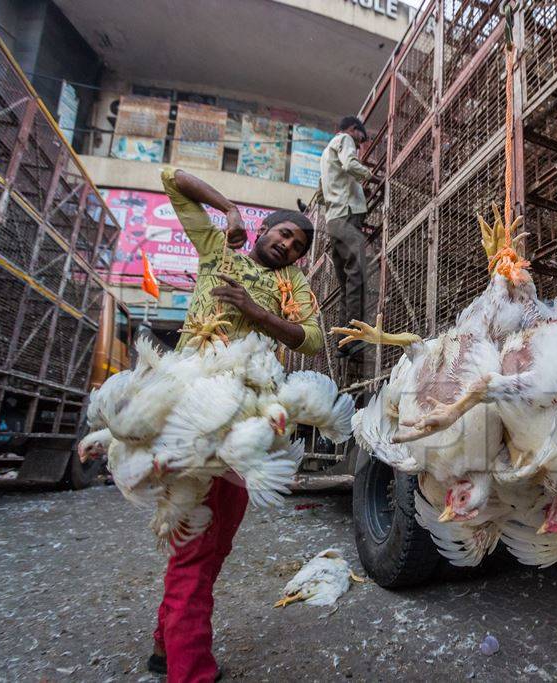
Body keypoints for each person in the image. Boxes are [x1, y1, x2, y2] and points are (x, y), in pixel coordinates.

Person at [148, 167, 322, 682]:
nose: (289, 247)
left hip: (246, 428)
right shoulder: (216, 250)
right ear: (264, 228)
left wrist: (257, 311)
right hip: (197, 417)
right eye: (284, 234)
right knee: (196, 550)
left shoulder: (290, 285)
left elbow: (310, 338)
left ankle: (165, 647)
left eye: (297, 247)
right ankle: (190, 670)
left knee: (214, 542)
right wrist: (227, 210)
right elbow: (171, 177)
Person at [320, 115, 372, 357]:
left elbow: (322, 193)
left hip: (333, 221)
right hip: (347, 216)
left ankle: (343, 342)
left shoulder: (325, 154)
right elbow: (351, 164)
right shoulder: (345, 139)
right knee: (358, 277)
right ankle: (355, 339)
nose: (361, 144)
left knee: (346, 286)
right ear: (354, 129)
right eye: (361, 138)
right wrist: (369, 175)